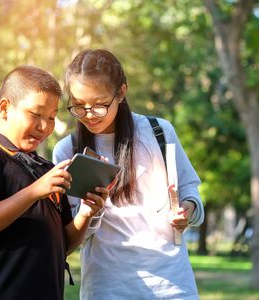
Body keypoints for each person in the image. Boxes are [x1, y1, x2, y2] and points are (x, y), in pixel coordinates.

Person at [52, 49, 204, 299]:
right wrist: (89, 212)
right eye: (78, 106)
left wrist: (186, 211)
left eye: (99, 105)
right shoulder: (67, 151)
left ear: (121, 92)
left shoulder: (159, 132)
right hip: (107, 286)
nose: (89, 115)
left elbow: (190, 191)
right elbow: (69, 238)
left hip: (171, 284)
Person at [0, 65, 106, 299]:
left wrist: (85, 213)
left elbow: (63, 246)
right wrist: (35, 191)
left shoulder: (46, 170)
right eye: (35, 115)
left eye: (51, 117)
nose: (44, 126)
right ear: (4, 108)